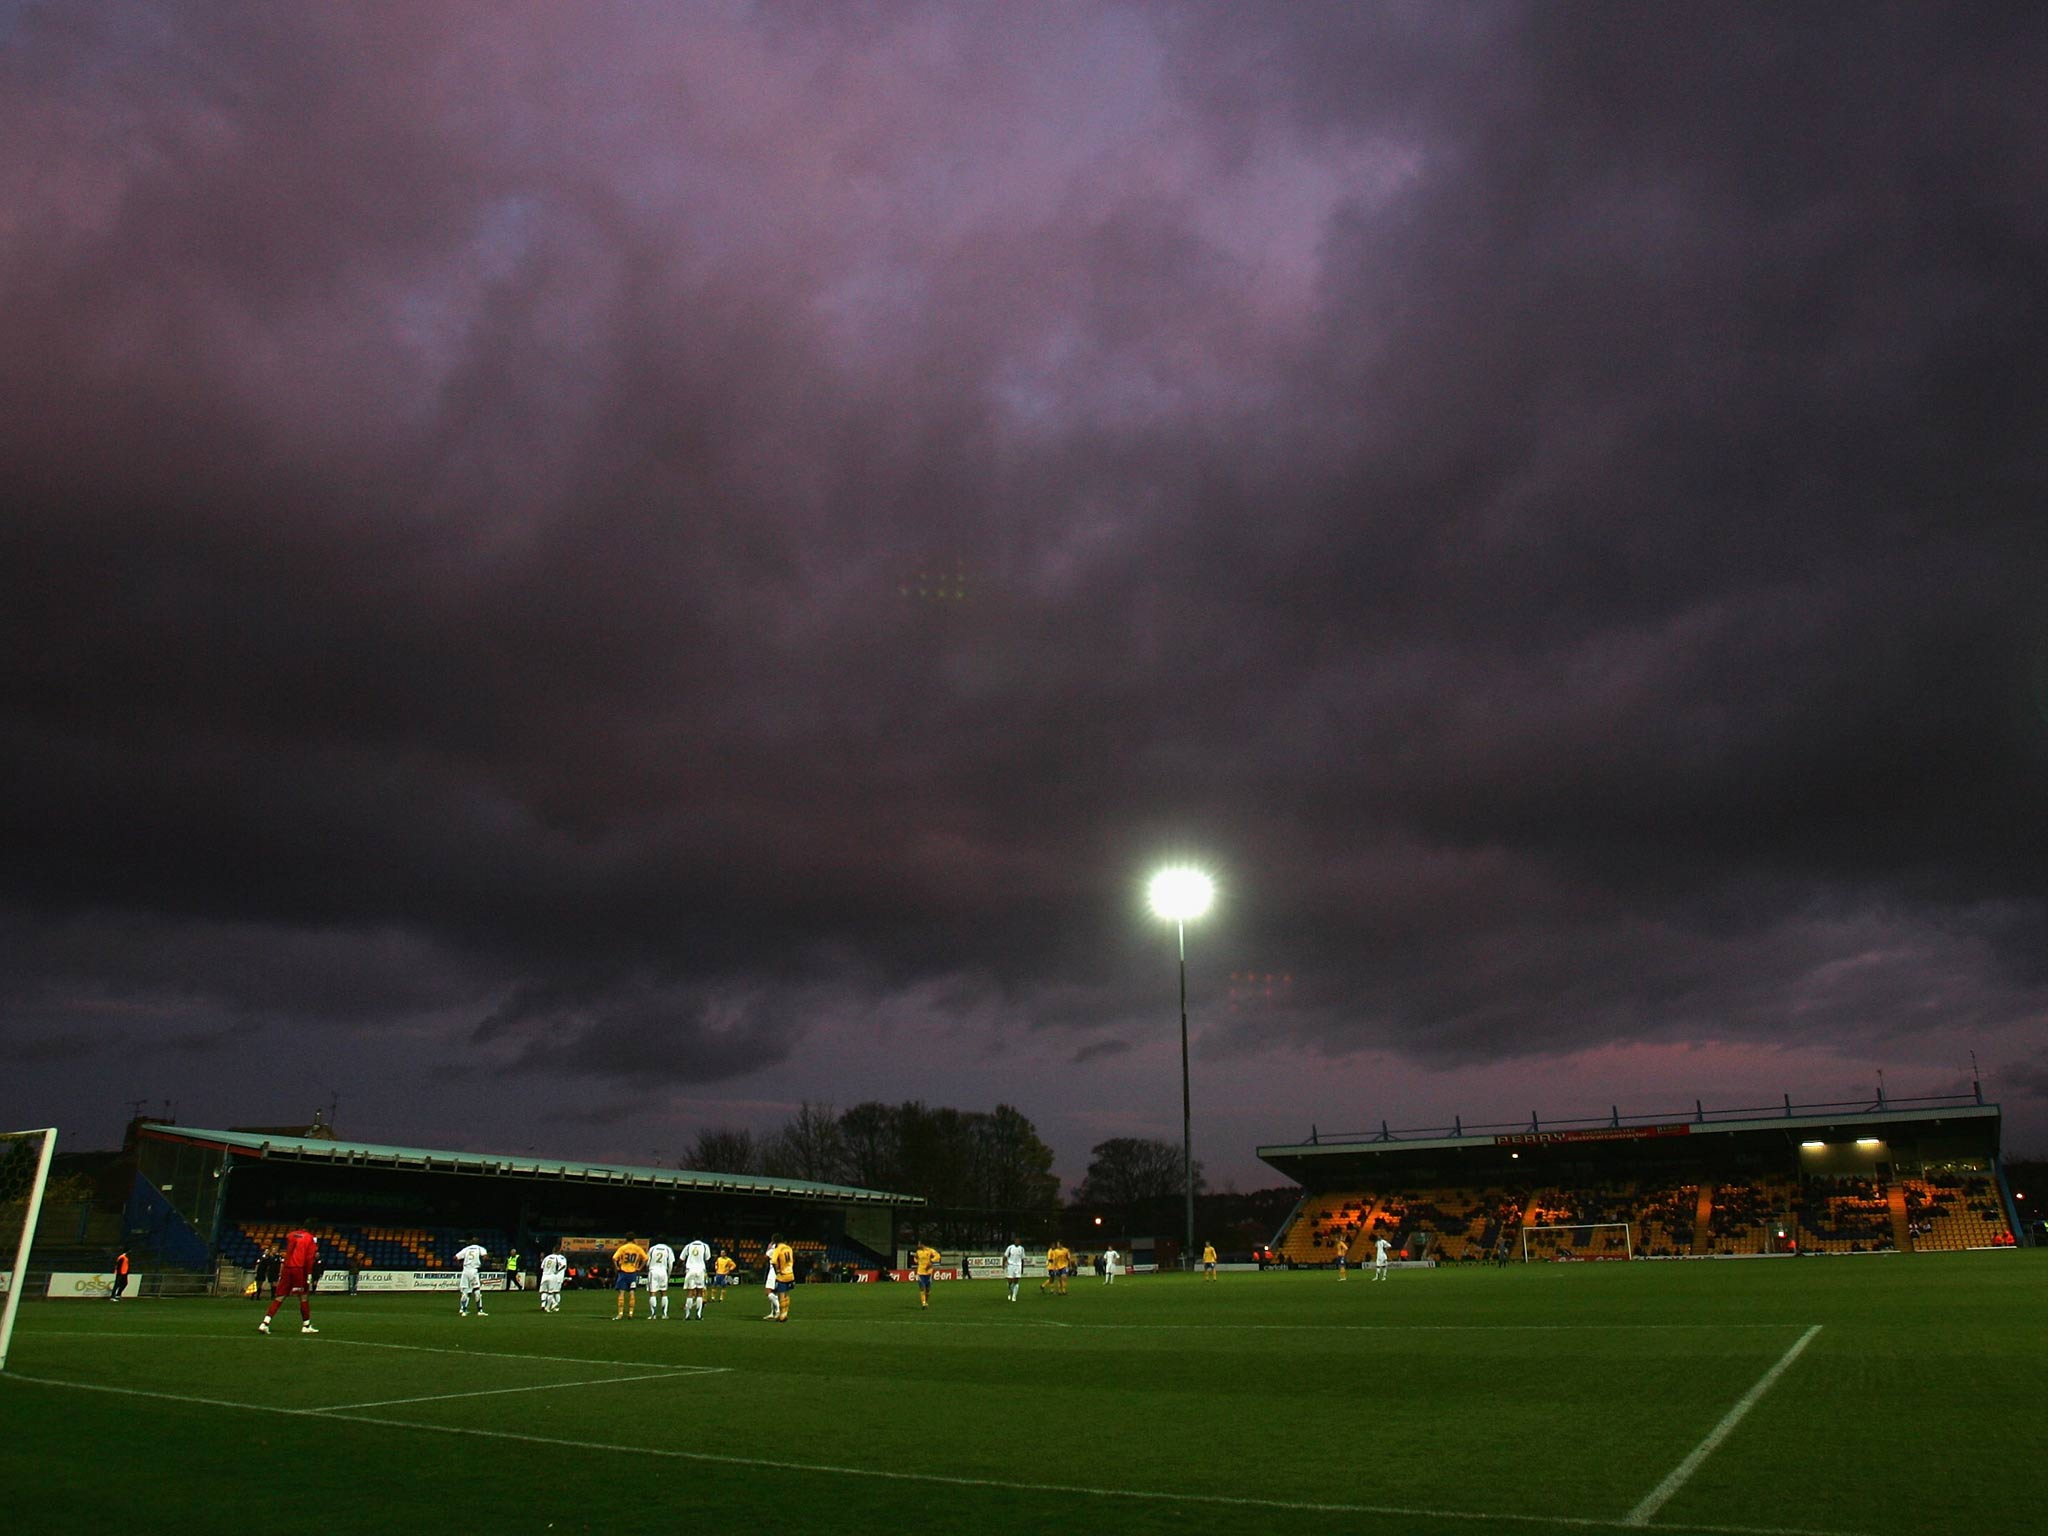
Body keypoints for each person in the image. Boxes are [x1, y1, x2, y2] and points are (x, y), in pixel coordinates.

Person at [258, 1226, 320, 1334]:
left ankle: (265, 1323)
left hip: (287, 1268)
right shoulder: (310, 1238)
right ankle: (306, 1325)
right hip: (299, 1268)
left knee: (280, 1297)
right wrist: (309, 1273)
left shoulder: (291, 1235)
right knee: (304, 1296)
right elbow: (309, 1258)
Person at [612, 1236, 650, 1320]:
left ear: (626, 1239)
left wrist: (617, 1267)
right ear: (634, 1239)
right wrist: (640, 1267)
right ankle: (631, 1313)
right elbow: (646, 1258)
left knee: (621, 1293)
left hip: (623, 1273)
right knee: (632, 1292)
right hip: (633, 1273)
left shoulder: (623, 1248)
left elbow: (614, 1258)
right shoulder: (638, 1248)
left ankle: (620, 1314)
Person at [454, 1238, 490, 1317]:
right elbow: (485, 1257)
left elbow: (455, 1257)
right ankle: (480, 1311)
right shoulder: (481, 1249)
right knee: (477, 1291)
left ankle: (463, 1310)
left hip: (465, 1271)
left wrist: (460, 1265)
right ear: (478, 1242)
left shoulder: (466, 1249)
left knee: (465, 1292)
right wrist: (482, 1265)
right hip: (473, 1271)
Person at [765, 1233, 795, 1321]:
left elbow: (773, 1261)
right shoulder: (789, 1248)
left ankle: (782, 1315)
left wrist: (777, 1271)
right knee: (787, 1295)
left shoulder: (777, 1249)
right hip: (790, 1273)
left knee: (781, 1295)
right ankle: (785, 1313)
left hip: (782, 1275)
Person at [645, 1239, 676, 1320]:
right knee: (664, 1293)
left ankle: (653, 1314)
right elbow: (671, 1263)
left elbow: (647, 1262)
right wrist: (669, 1274)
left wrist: (648, 1270)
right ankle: (664, 1314)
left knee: (652, 1293)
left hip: (653, 1271)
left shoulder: (652, 1249)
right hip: (663, 1272)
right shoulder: (668, 1249)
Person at [681, 1237, 711, 1319]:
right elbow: (707, 1259)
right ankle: (698, 1315)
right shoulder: (705, 1246)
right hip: (700, 1270)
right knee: (700, 1293)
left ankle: (687, 1315)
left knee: (690, 1293)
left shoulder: (688, 1246)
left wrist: (681, 1267)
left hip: (690, 1270)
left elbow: (681, 1258)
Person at [912, 1241, 941, 1310]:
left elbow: (938, 1256)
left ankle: (926, 1302)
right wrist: (916, 1261)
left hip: (928, 1272)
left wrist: (932, 1261)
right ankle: (923, 1303)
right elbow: (915, 1258)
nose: (918, 1245)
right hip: (920, 1272)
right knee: (922, 1288)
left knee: (928, 1290)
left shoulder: (930, 1250)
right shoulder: (918, 1252)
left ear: (923, 1244)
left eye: (919, 1244)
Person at [538, 1246, 567, 1312]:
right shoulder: (560, 1257)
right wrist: (556, 1271)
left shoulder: (547, 1257)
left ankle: (543, 1304)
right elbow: (563, 1266)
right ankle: (554, 1306)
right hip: (554, 1276)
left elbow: (542, 1267)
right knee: (555, 1292)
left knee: (544, 1291)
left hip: (544, 1276)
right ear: (559, 1251)